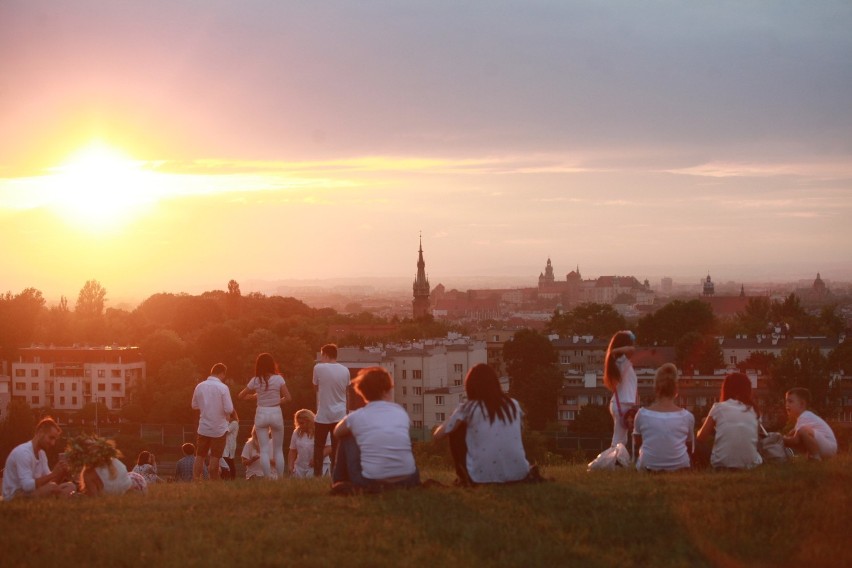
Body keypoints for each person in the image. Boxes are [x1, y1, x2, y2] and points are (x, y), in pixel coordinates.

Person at [433, 364, 535, 485]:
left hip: (480, 479)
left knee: (455, 430)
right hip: (520, 476)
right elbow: (519, 432)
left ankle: (464, 476)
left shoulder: (468, 408)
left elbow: (437, 436)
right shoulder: (513, 405)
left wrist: (453, 419)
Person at [332, 367, 419, 493]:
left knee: (347, 435)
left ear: (362, 392)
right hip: (410, 479)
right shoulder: (401, 412)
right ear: (386, 391)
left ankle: (339, 481)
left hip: (371, 482)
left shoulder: (357, 416)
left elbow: (337, 432)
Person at [238, 353, 292, 479]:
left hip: (261, 413)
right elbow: (288, 398)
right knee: (278, 449)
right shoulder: (278, 379)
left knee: (264, 450)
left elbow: (240, 395)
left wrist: (253, 397)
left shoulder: (255, 380)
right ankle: (280, 478)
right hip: (275, 412)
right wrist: (277, 401)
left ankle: (267, 478)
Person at [633, 363, 694, 472]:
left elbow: (638, 442)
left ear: (656, 388)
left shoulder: (642, 414)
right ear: (676, 390)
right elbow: (689, 445)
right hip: (681, 468)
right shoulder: (687, 417)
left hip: (647, 467)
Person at [696, 372, 762, 470]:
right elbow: (754, 439)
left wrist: (705, 424)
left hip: (722, 465)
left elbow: (701, 438)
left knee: (693, 444)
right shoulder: (755, 410)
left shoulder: (718, 408)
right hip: (751, 465)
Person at [2, 417, 76, 500]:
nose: (53, 443)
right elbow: (27, 486)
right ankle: (63, 499)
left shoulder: (41, 454)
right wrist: (53, 474)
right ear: (40, 433)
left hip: (31, 492)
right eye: (51, 438)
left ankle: (61, 500)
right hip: (15, 496)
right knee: (51, 487)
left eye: (55, 439)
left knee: (71, 486)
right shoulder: (23, 453)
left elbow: (49, 480)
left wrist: (62, 472)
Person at [191, 362, 235, 481]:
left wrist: (206, 407)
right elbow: (229, 409)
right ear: (222, 373)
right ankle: (213, 482)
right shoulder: (223, 388)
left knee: (199, 456)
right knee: (215, 458)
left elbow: (194, 405)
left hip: (204, 427)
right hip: (219, 429)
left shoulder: (199, 386)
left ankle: (196, 480)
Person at [312, 344, 351, 477]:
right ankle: (337, 474)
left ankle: (317, 474)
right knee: (337, 447)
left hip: (323, 415)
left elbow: (315, 387)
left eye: (322, 355)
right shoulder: (345, 370)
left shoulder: (318, 368)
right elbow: (347, 392)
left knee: (318, 446)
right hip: (339, 415)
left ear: (326, 355)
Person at [72, 436, 147, 496]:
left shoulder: (88, 475)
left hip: (134, 486)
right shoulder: (112, 460)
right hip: (139, 484)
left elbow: (93, 498)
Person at [604, 330, 639, 448]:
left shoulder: (619, 361)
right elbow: (631, 350)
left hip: (621, 403)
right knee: (619, 438)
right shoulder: (620, 360)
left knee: (621, 437)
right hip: (622, 404)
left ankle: (617, 461)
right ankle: (613, 461)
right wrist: (615, 350)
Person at [783, 387, 837, 460]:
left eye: (790, 401)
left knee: (801, 431)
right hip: (827, 447)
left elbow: (795, 440)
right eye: (786, 401)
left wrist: (781, 438)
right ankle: (809, 455)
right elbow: (793, 435)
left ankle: (815, 456)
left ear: (802, 404)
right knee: (794, 432)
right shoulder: (804, 417)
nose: (787, 404)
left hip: (829, 447)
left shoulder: (805, 416)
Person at [289, 409, 331, 478]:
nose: (300, 425)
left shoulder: (321, 431)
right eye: (298, 423)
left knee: (311, 480)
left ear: (309, 422)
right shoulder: (296, 433)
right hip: (300, 466)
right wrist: (291, 466)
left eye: (302, 423)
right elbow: (292, 450)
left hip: (319, 464)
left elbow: (329, 447)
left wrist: (317, 458)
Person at [222, 411, 240, 481]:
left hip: (229, 446)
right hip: (226, 446)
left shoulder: (234, 423)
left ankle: (232, 478)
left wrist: (225, 422)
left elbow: (226, 431)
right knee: (227, 461)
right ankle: (228, 477)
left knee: (229, 461)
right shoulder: (230, 423)